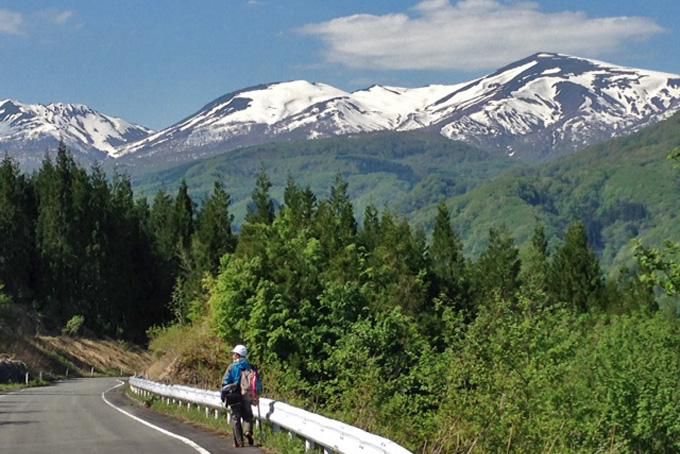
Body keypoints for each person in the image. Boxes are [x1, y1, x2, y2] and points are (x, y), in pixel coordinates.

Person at [222, 344, 256, 447]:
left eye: (234, 354)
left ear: (237, 355)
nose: (232, 356)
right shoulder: (250, 366)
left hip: (234, 395)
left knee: (235, 418)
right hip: (246, 394)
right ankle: (247, 431)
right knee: (247, 416)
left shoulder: (232, 367)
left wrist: (223, 394)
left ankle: (239, 442)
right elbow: (255, 381)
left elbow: (225, 381)